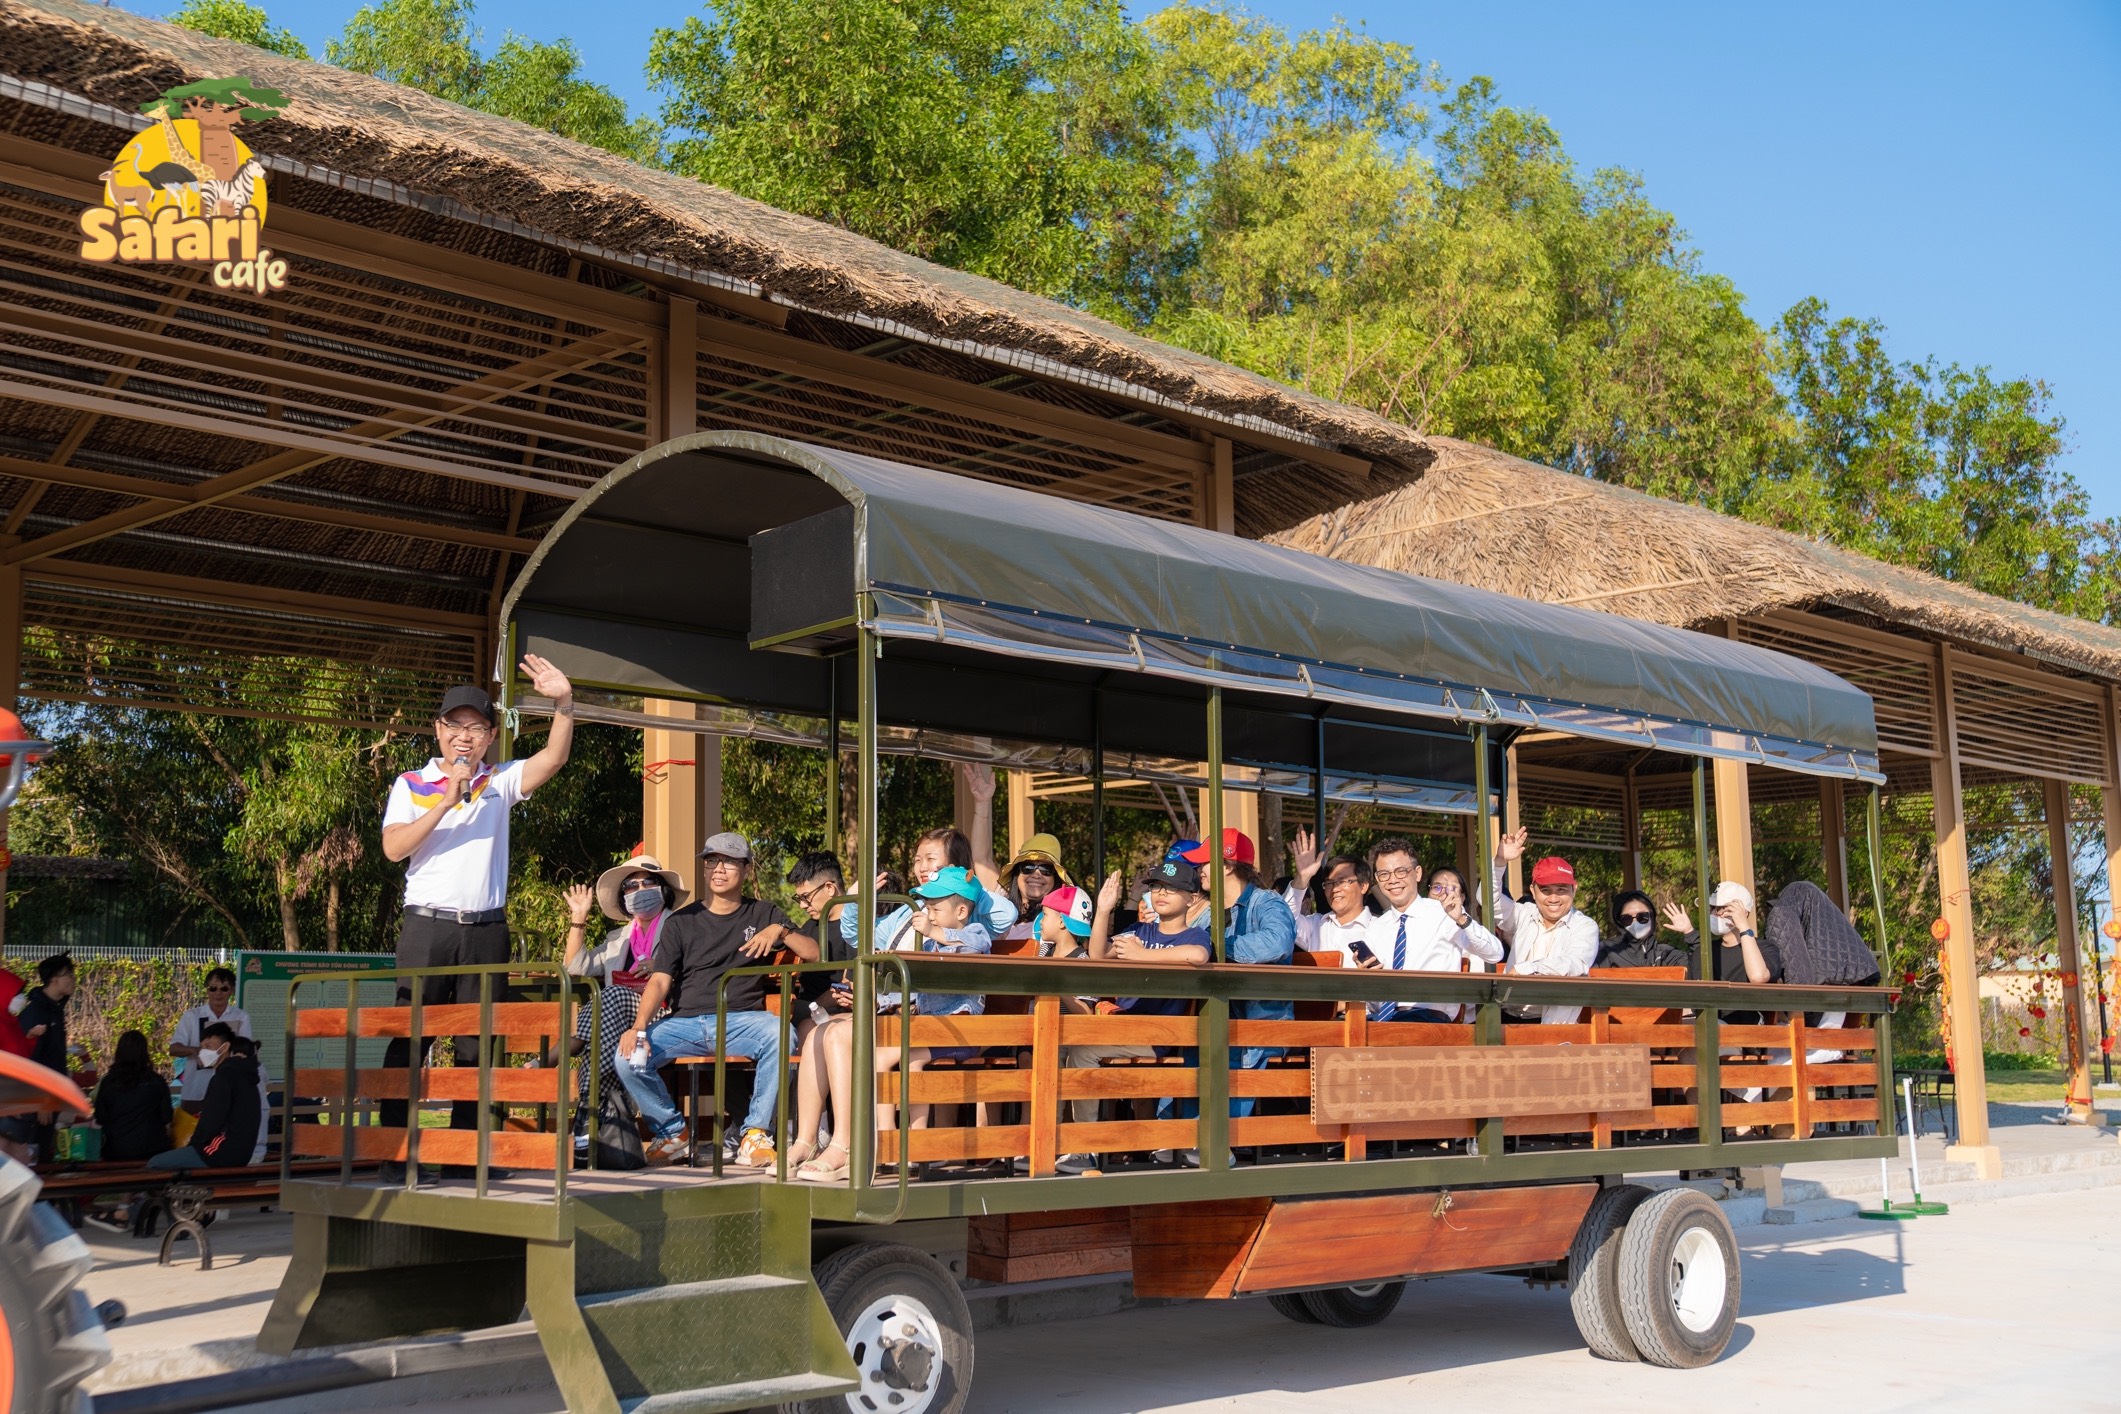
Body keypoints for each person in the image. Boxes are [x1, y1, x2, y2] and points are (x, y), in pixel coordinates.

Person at [378, 662, 577, 1174]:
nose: (463, 738)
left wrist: (563, 702)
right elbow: (394, 849)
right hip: (427, 928)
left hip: (486, 930)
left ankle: (468, 1156)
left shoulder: (501, 781)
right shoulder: (411, 783)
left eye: (475, 728)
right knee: (411, 1037)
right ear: (439, 731)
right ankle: (396, 1152)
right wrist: (445, 801)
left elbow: (554, 758)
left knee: (479, 1044)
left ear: (490, 736)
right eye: (454, 726)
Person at [618, 833, 817, 1167]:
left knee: (781, 1033)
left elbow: (814, 953)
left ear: (746, 868)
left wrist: (780, 931)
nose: (718, 869)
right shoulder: (681, 921)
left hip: (741, 1021)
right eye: (711, 861)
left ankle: (754, 1133)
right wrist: (638, 1028)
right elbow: (660, 980)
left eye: (728, 861)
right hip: (684, 1023)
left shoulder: (763, 912)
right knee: (628, 1058)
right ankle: (672, 1134)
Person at [798, 866, 993, 1182]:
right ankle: (884, 1138)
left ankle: (911, 1141)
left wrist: (934, 932)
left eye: (935, 908)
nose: (927, 914)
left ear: (960, 910)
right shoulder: (927, 941)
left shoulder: (973, 933)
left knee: (903, 1057)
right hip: (925, 1029)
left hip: (958, 1030)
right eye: (927, 908)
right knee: (880, 1055)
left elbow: (971, 946)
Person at [1069, 859, 1212, 1172]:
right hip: (1124, 1029)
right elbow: (1097, 954)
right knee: (1066, 1044)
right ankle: (1077, 1144)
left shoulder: (1194, 936)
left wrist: (1144, 956)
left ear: (1191, 898)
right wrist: (1104, 909)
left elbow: (1199, 957)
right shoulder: (1138, 929)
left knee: (1082, 1051)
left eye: (1173, 888)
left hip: (1159, 1036)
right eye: (1157, 886)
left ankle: (1085, 1147)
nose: (1161, 892)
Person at [558, 853, 687, 1155]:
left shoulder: (679, 925)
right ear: (623, 896)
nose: (639, 890)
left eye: (648, 882)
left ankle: (569, 1052)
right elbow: (575, 967)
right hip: (618, 1023)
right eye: (630, 886)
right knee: (608, 1016)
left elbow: (696, 966)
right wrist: (579, 919)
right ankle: (589, 1120)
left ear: (663, 889)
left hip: (664, 1013)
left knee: (611, 996)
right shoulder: (618, 937)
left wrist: (662, 964)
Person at [1176, 829, 1295, 1141]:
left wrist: (1214, 950)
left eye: (1204, 863)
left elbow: (1277, 942)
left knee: (1225, 1053)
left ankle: (1210, 1143)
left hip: (1261, 1021)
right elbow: (1187, 943)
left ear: (1227, 865)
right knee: (1189, 1051)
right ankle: (1179, 1139)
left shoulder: (1268, 902)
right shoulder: (1208, 914)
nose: (1198, 870)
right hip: (1220, 1019)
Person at [1360, 838, 1503, 1022]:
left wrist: (1462, 920)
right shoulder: (1376, 926)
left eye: (1401, 871)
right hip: (1380, 1018)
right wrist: (1367, 974)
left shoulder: (1443, 913)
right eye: (1384, 874)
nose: (1393, 880)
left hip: (1428, 1017)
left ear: (1417, 873)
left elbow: (1494, 954)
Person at [787, 851, 858, 1172]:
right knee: (800, 1029)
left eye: (806, 897)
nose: (802, 905)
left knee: (815, 1032)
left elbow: (850, 988)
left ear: (830, 888)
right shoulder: (809, 927)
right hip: (810, 1010)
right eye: (798, 898)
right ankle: (809, 1133)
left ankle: (822, 1133)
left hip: (843, 1015)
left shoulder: (856, 925)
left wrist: (823, 1003)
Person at [841, 827, 1018, 956]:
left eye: (930, 859)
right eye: (918, 860)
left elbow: (1007, 915)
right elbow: (859, 936)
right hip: (896, 1001)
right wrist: (853, 899)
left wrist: (961, 884)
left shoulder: (968, 911)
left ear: (954, 865)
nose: (922, 867)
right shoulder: (909, 910)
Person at [1490, 834, 1600, 1023]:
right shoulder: (1523, 913)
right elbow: (1488, 901)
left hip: (1552, 1023)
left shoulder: (1584, 926)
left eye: (1562, 890)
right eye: (1546, 890)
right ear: (1533, 891)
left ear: (1574, 890)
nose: (1553, 898)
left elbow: (1573, 964)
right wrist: (1499, 862)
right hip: (1506, 1017)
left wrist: (1525, 969)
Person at [149, 1026, 262, 1171]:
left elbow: (211, 1122)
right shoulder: (246, 1076)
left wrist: (193, 1146)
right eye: (202, 1047)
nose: (204, 1052)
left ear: (225, 1047)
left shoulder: (224, 1078)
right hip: (241, 1153)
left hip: (219, 1154)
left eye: (208, 1046)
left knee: (154, 1163)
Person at [1282, 827, 1378, 956]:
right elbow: (1283, 919)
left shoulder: (1381, 928)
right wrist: (1302, 877)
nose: (1335, 888)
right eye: (1329, 883)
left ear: (1363, 886)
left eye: (1343, 881)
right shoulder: (1316, 926)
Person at [170, 967, 251, 1116]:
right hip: (196, 1090)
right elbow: (173, 1049)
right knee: (193, 1135)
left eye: (224, 988)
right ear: (207, 990)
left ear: (232, 990)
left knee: (224, 1137)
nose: (218, 993)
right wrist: (197, 1051)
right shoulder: (192, 1016)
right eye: (213, 988)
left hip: (229, 1089)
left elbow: (247, 1051)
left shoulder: (241, 1017)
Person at [93, 1029, 172, 1163]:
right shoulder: (156, 1081)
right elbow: (167, 1116)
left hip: (115, 1151)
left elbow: (100, 1117)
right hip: (153, 1150)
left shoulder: (108, 1082)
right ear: (145, 1053)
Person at [997, 832, 1071, 947]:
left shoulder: (1061, 920)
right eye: (1028, 867)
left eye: (1046, 869)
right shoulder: (999, 906)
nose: (1036, 875)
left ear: (1055, 878)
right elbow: (981, 858)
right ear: (1017, 873)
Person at [1598, 890, 1693, 970]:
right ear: (1620, 922)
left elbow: (1699, 974)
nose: (1635, 922)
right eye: (1627, 919)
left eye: (1642, 917)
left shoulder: (1667, 955)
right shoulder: (1607, 952)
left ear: (1652, 916)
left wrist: (1690, 932)